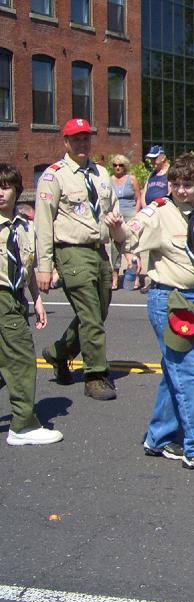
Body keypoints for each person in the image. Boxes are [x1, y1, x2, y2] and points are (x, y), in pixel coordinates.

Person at [105, 154, 194, 474]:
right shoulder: (158, 212)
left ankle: (158, 437)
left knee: (174, 370)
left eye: (188, 185)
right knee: (189, 373)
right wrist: (118, 230)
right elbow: (129, 238)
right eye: (175, 184)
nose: (181, 190)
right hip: (168, 300)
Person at [34, 118, 117, 400]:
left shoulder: (102, 174)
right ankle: (95, 375)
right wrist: (44, 267)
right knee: (91, 316)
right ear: (66, 142)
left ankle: (59, 353)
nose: (82, 143)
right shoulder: (53, 176)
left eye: (86, 138)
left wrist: (124, 254)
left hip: (100, 251)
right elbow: (43, 224)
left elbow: (113, 217)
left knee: (98, 313)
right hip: (71, 252)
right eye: (76, 138)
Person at [0, 163, 63, 445]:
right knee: (23, 360)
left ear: (17, 190)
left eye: (5, 187)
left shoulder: (25, 227)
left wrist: (36, 299)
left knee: (4, 361)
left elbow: (28, 267)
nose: (0, 193)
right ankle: (23, 425)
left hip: (16, 297)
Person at [109, 154, 143, 290]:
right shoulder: (108, 180)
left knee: (132, 246)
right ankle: (115, 279)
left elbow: (138, 197)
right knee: (115, 247)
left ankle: (135, 279)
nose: (118, 167)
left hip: (130, 215)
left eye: (121, 165)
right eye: (115, 165)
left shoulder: (131, 179)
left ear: (125, 166)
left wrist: (136, 214)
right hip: (116, 216)